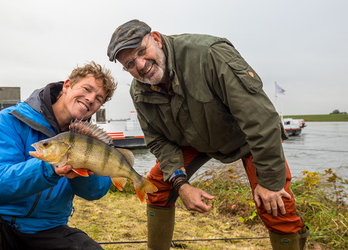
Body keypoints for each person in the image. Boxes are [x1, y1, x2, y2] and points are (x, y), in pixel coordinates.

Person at [107, 20, 309, 250]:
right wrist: (182, 185)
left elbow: (260, 119)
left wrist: (270, 183)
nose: (141, 65)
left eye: (142, 52)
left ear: (156, 38)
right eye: (131, 63)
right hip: (195, 139)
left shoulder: (209, 54)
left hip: (246, 137)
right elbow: (158, 141)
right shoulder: (139, 90)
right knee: (156, 189)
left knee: (275, 204)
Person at [0, 61, 117, 249]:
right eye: (86, 89)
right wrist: (48, 169)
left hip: (48, 229)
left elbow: (96, 191)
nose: (90, 99)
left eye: (98, 99)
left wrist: (81, 172)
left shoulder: (90, 140)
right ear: (67, 85)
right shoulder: (9, 120)